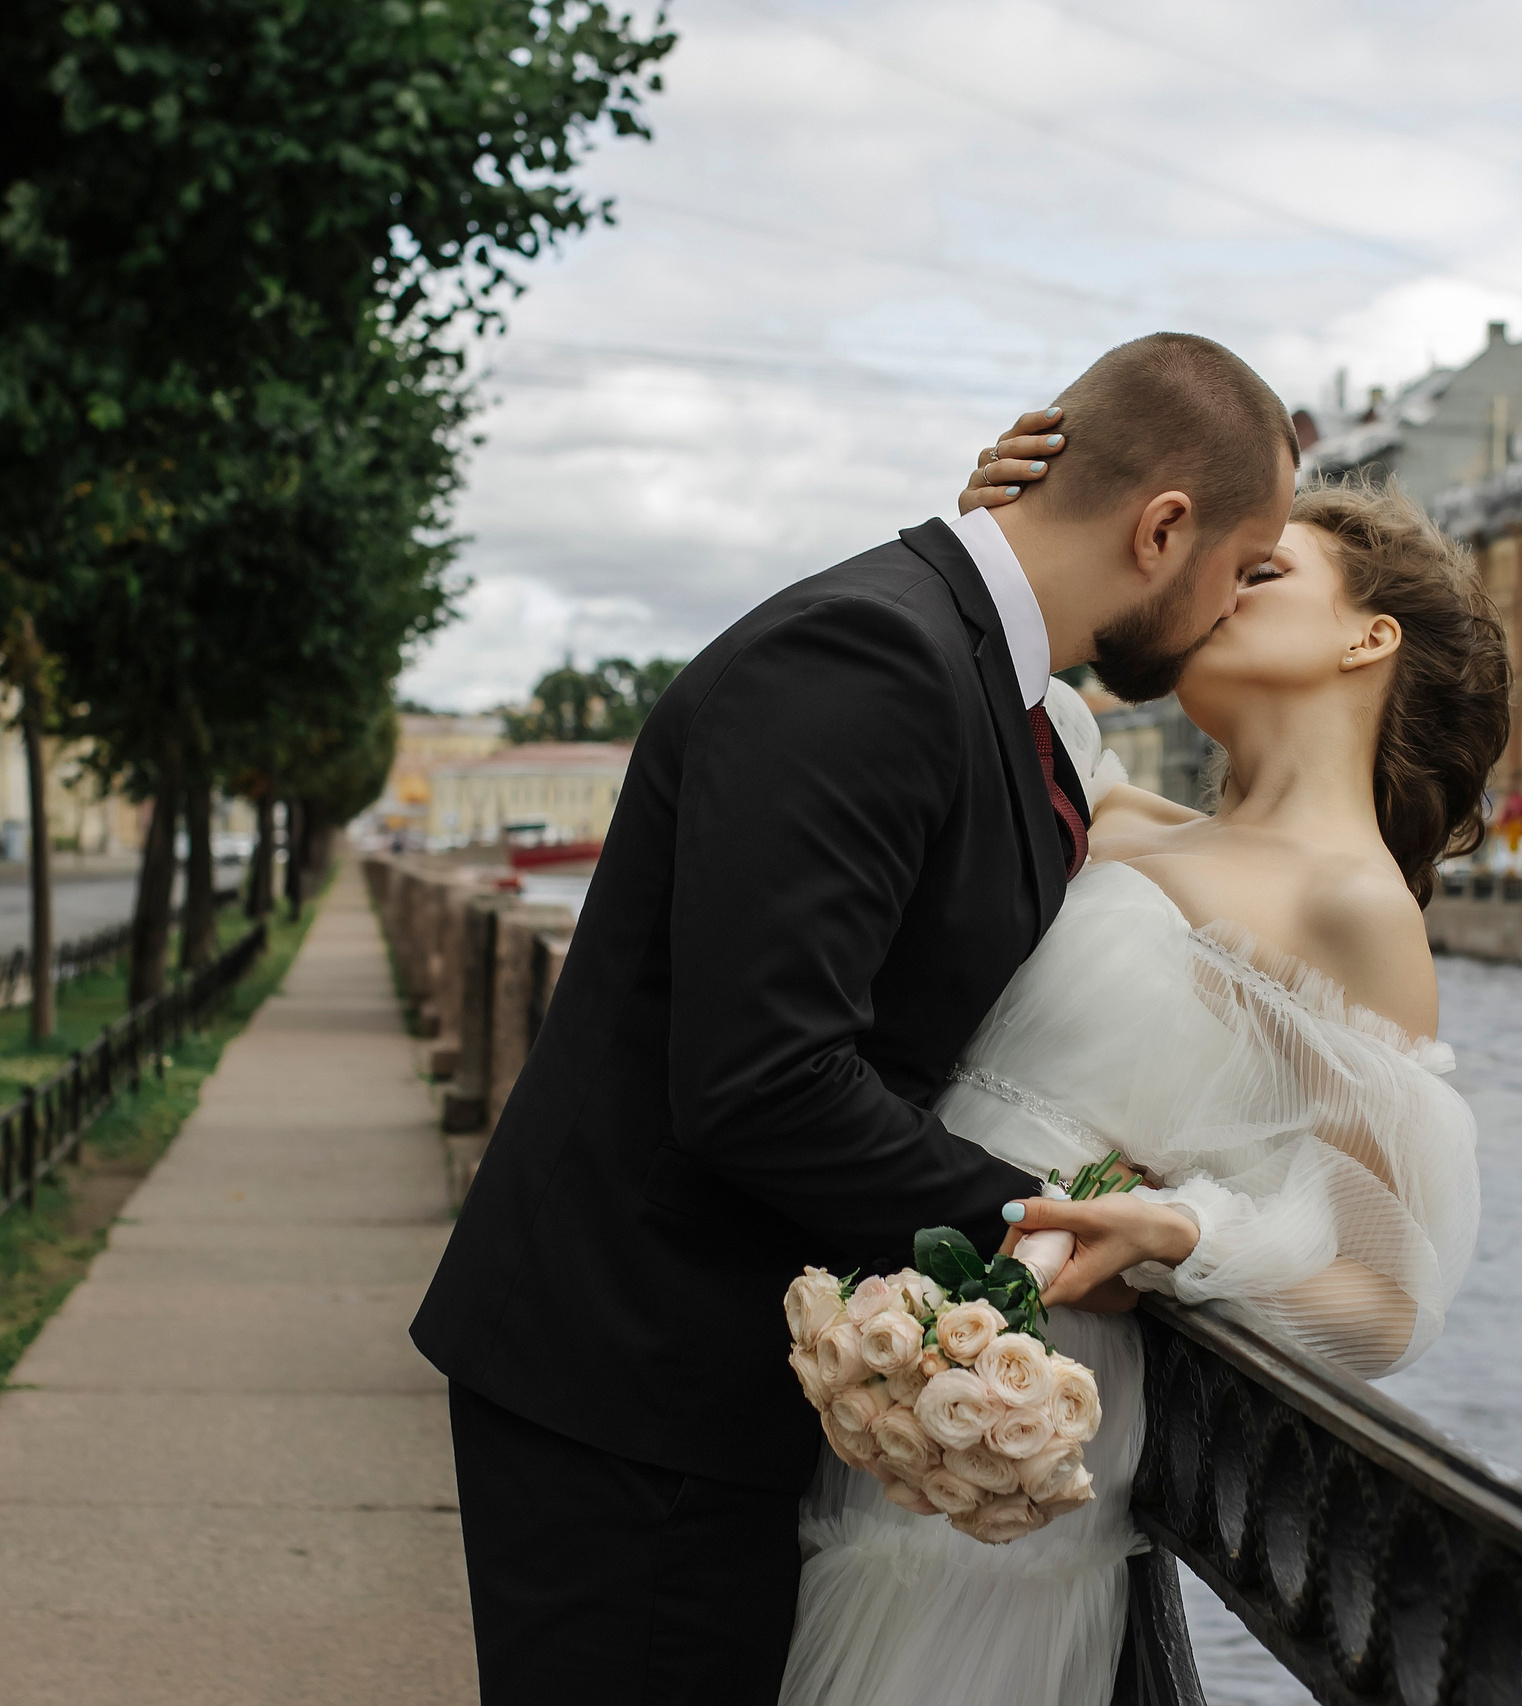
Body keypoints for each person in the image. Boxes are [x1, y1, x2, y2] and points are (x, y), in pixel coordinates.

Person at [408, 332, 1300, 1704]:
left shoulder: (973, 670)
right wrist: (1050, 1226)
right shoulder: (871, 653)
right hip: (631, 1391)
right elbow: (762, 1076)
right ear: (1162, 527)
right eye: (1242, 570)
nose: (1235, 610)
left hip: (700, 1383)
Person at [777, 437, 1504, 1706]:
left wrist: (1182, 1233)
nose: (1209, 593)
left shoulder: (1354, 913)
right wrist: (1023, 531)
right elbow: (996, 678)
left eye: (1260, 571)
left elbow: (1386, 1298)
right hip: (908, 1349)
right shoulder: (1123, 812)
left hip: (1031, 1403)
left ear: (1365, 642)